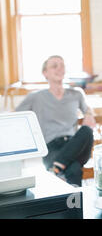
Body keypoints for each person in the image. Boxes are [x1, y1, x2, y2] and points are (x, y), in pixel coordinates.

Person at [16, 55, 96, 186]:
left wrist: (89, 113)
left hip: (74, 146)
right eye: (54, 66)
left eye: (62, 65)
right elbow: (16, 117)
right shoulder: (36, 97)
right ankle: (73, 204)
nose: (59, 69)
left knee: (86, 130)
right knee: (74, 169)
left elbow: (88, 110)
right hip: (51, 149)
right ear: (45, 73)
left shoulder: (76, 93)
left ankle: (56, 168)